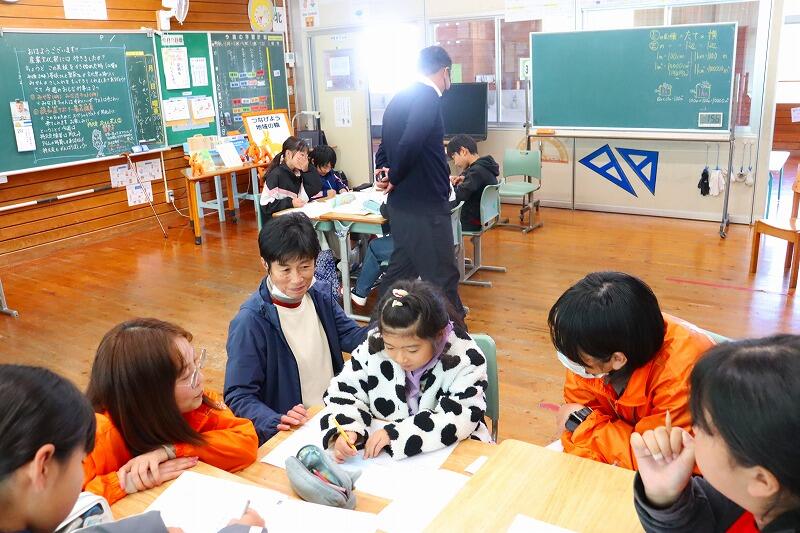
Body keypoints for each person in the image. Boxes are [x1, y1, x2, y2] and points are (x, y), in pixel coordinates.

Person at [0, 364, 264, 533]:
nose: (199, 378)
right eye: (78, 462)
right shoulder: (103, 432)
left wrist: (155, 527)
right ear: (43, 467)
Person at [225, 213, 369, 444]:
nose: (297, 279)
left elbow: (351, 336)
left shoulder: (319, 295)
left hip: (333, 415)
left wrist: (390, 325)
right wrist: (275, 420)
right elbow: (239, 395)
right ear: (265, 264)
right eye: (285, 270)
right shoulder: (251, 321)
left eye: (305, 266)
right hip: (294, 431)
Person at [632, 335, 800, 532]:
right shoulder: (744, 494)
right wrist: (665, 498)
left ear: (761, 480)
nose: (693, 430)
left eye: (702, 425)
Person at [548, 271, 714, 470]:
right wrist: (586, 428)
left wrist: (581, 422)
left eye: (577, 356)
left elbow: (658, 462)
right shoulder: (593, 345)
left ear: (618, 359)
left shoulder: (680, 377)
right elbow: (577, 438)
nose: (568, 357)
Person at [83, 319, 259, 505]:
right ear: (149, 394)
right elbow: (69, 508)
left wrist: (172, 451)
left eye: (196, 363)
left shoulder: (198, 404)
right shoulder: (94, 437)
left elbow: (245, 441)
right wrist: (126, 482)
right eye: (186, 376)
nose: (201, 378)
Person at [321, 280, 491, 463]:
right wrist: (347, 428)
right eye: (390, 347)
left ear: (439, 335)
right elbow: (343, 392)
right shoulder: (375, 344)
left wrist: (396, 434)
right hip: (387, 461)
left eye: (412, 350)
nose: (400, 358)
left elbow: (460, 416)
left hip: (455, 454)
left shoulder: (465, 357)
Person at [373, 46, 465, 317]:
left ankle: (375, 330)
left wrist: (385, 171)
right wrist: (395, 175)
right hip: (425, 208)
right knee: (443, 278)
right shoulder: (428, 97)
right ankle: (458, 337)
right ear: (445, 71)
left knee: (399, 276)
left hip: (402, 207)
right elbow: (412, 140)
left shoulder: (399, 97)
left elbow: (385, 145)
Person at [445, 134, 499, 232]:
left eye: (454, 157)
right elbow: (471, 177)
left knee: (435, 214)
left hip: (470, 221)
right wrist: (464, 178)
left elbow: (459, 196)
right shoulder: (485, 166)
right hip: (481, 217)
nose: (455, 163)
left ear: (463, 151)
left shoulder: (476, 172)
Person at [260, 136, 323, 219]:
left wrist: (306, 170)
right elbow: (266, 206)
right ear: (288, 154)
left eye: (306, 156)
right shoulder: (276, 174)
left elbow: (315, 188)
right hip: (280, 222)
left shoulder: (298, 172)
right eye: (302, 155)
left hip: (295, 217)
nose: (305, 160)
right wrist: (291, 203)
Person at [351, 203, 393, 307]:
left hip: (417, 243)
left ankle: (359, 293)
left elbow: (387, 210)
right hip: (427, 238)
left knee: (375, 247)